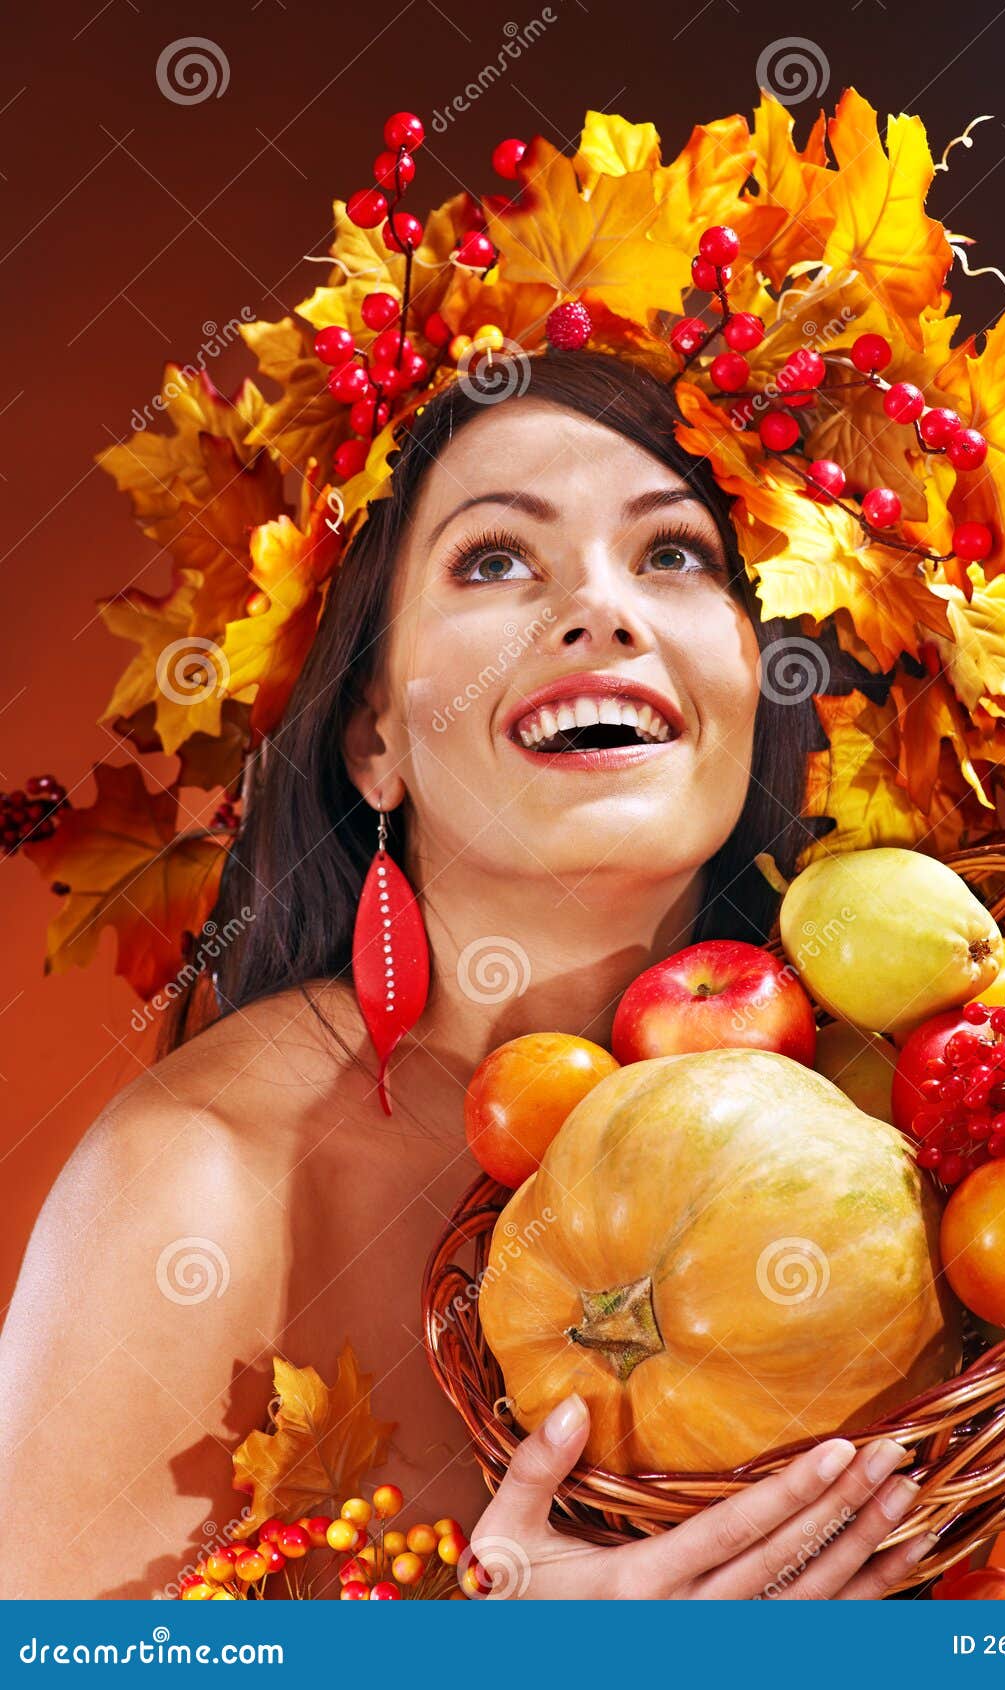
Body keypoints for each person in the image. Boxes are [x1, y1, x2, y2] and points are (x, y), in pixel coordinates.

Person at [0, 352, 938, 1599]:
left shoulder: (895, 1137)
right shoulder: (200, 1177)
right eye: (495, 558)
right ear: (375, 737)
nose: (602, 609)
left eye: (672, 554)